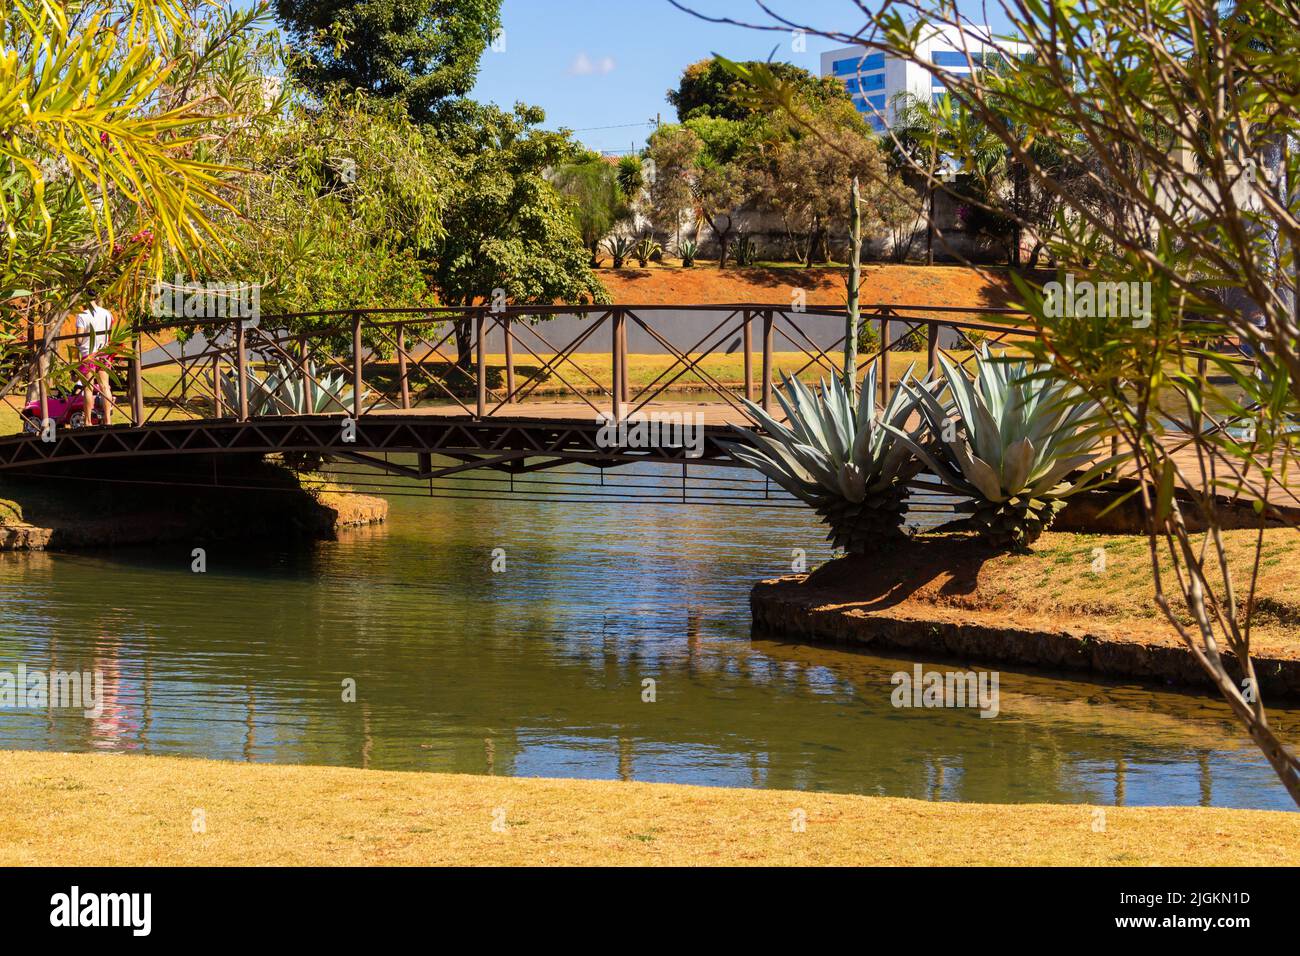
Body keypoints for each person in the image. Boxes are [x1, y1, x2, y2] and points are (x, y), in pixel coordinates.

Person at [74, 291, 115, 425]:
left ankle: (87, 421)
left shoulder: (82, 315)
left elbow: (79, 339)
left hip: (88, 355)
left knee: (88, 388)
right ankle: (108, 420)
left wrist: (77, 343)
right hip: (104, 354)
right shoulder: (107, 314)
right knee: (105, 387)